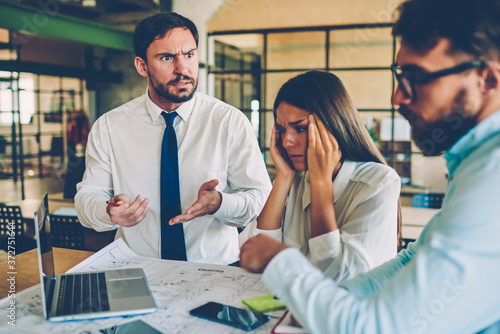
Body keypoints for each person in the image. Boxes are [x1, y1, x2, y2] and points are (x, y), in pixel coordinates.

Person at [239, 0, 500, 332]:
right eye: (400, 75)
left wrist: (280, 262)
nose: (397, 98)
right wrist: (335, 298)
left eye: (416, 77)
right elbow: (410, 260)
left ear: (488, 80)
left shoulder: (492, 176)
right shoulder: (473, 163)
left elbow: (369, 328)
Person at [75, 12, 271, 264]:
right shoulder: (109, 127)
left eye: (189, 54)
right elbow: (86, 198)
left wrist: (220, 203)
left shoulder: (229, 121)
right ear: (142, 66)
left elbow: (259, 198)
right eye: (167, 58)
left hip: (213, 275)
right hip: (136, 273)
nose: (183, 68)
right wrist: (107, 211)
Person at [238, 71, 401, 281]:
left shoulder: (378, 183)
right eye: (281, 129)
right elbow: (251, 253)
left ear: (334, 126)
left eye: (300, 128)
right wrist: (284, 177)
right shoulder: (295, 179)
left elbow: (336, 278)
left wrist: (321, 182)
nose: (287, 141)